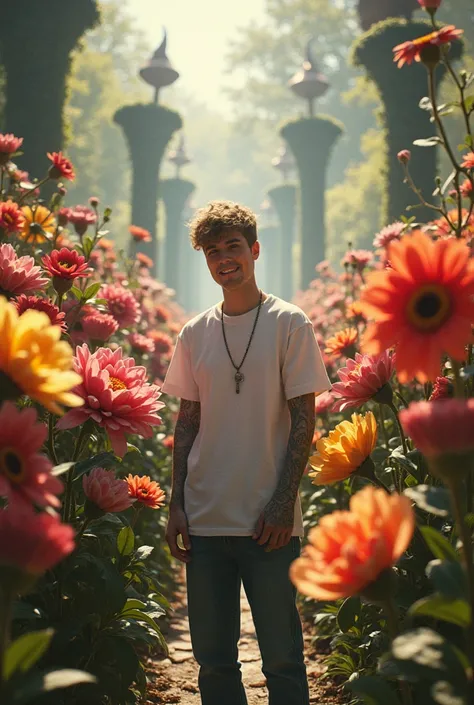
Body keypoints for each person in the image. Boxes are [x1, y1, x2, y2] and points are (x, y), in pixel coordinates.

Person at [161, 200, 331, 705]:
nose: (223, 258)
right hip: (206, 520)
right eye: (212, 251)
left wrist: (284, 502)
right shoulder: (194, 333)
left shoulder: (289, 323)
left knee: (281, 660)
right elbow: (187, 423)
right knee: (213, 663)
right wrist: (176, 503)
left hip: (269, 525)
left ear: (254, 250)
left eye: (232, 246)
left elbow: (305, 418)